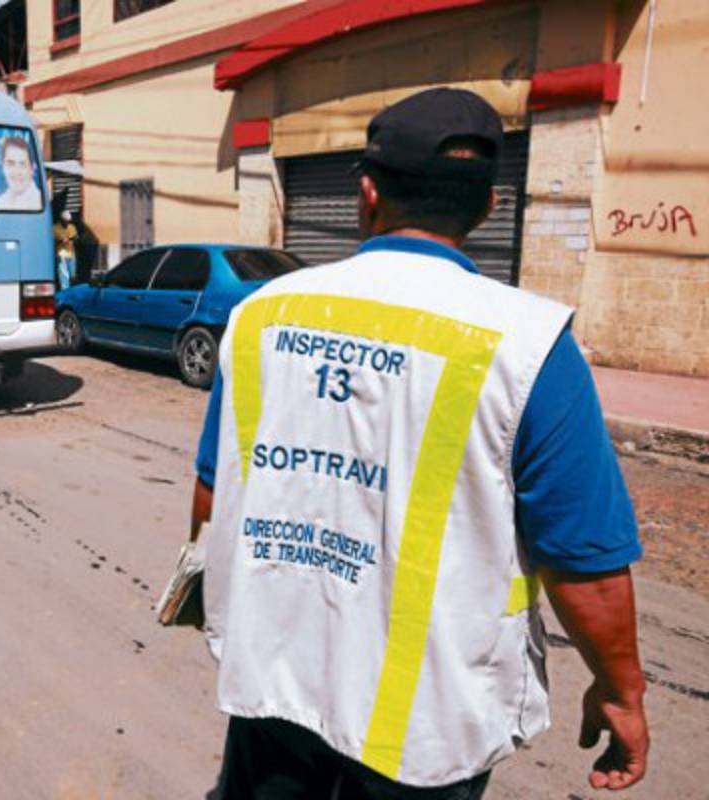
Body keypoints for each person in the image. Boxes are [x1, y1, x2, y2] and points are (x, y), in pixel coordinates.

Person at [191, 88, 647, 798]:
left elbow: (214, 486)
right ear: (487, 207)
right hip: (426, 719)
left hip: (277, 674)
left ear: (367, 195)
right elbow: (582, 561)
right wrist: (621, 692)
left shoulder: (260, 317)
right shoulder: (528, 345)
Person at [0, 136, 42, 211]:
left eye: (22, 164)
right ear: (3, 167)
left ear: (32, 169)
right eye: (11, 163)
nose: (17, 172)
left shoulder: (39, 202)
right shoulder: (1, 201)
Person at [53, 208, 77, 290]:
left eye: (68, 221)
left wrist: (70, 239)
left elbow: (75, 237)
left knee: (72, 274)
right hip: (61, 253)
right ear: (61, 220)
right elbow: (52, 241)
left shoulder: (71, 227)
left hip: (71, 253)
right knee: (64, 274)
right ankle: (65, 290)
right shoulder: (55, 228)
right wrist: (61, 241)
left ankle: (72, 290)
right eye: (65, 221)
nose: (67, 222)